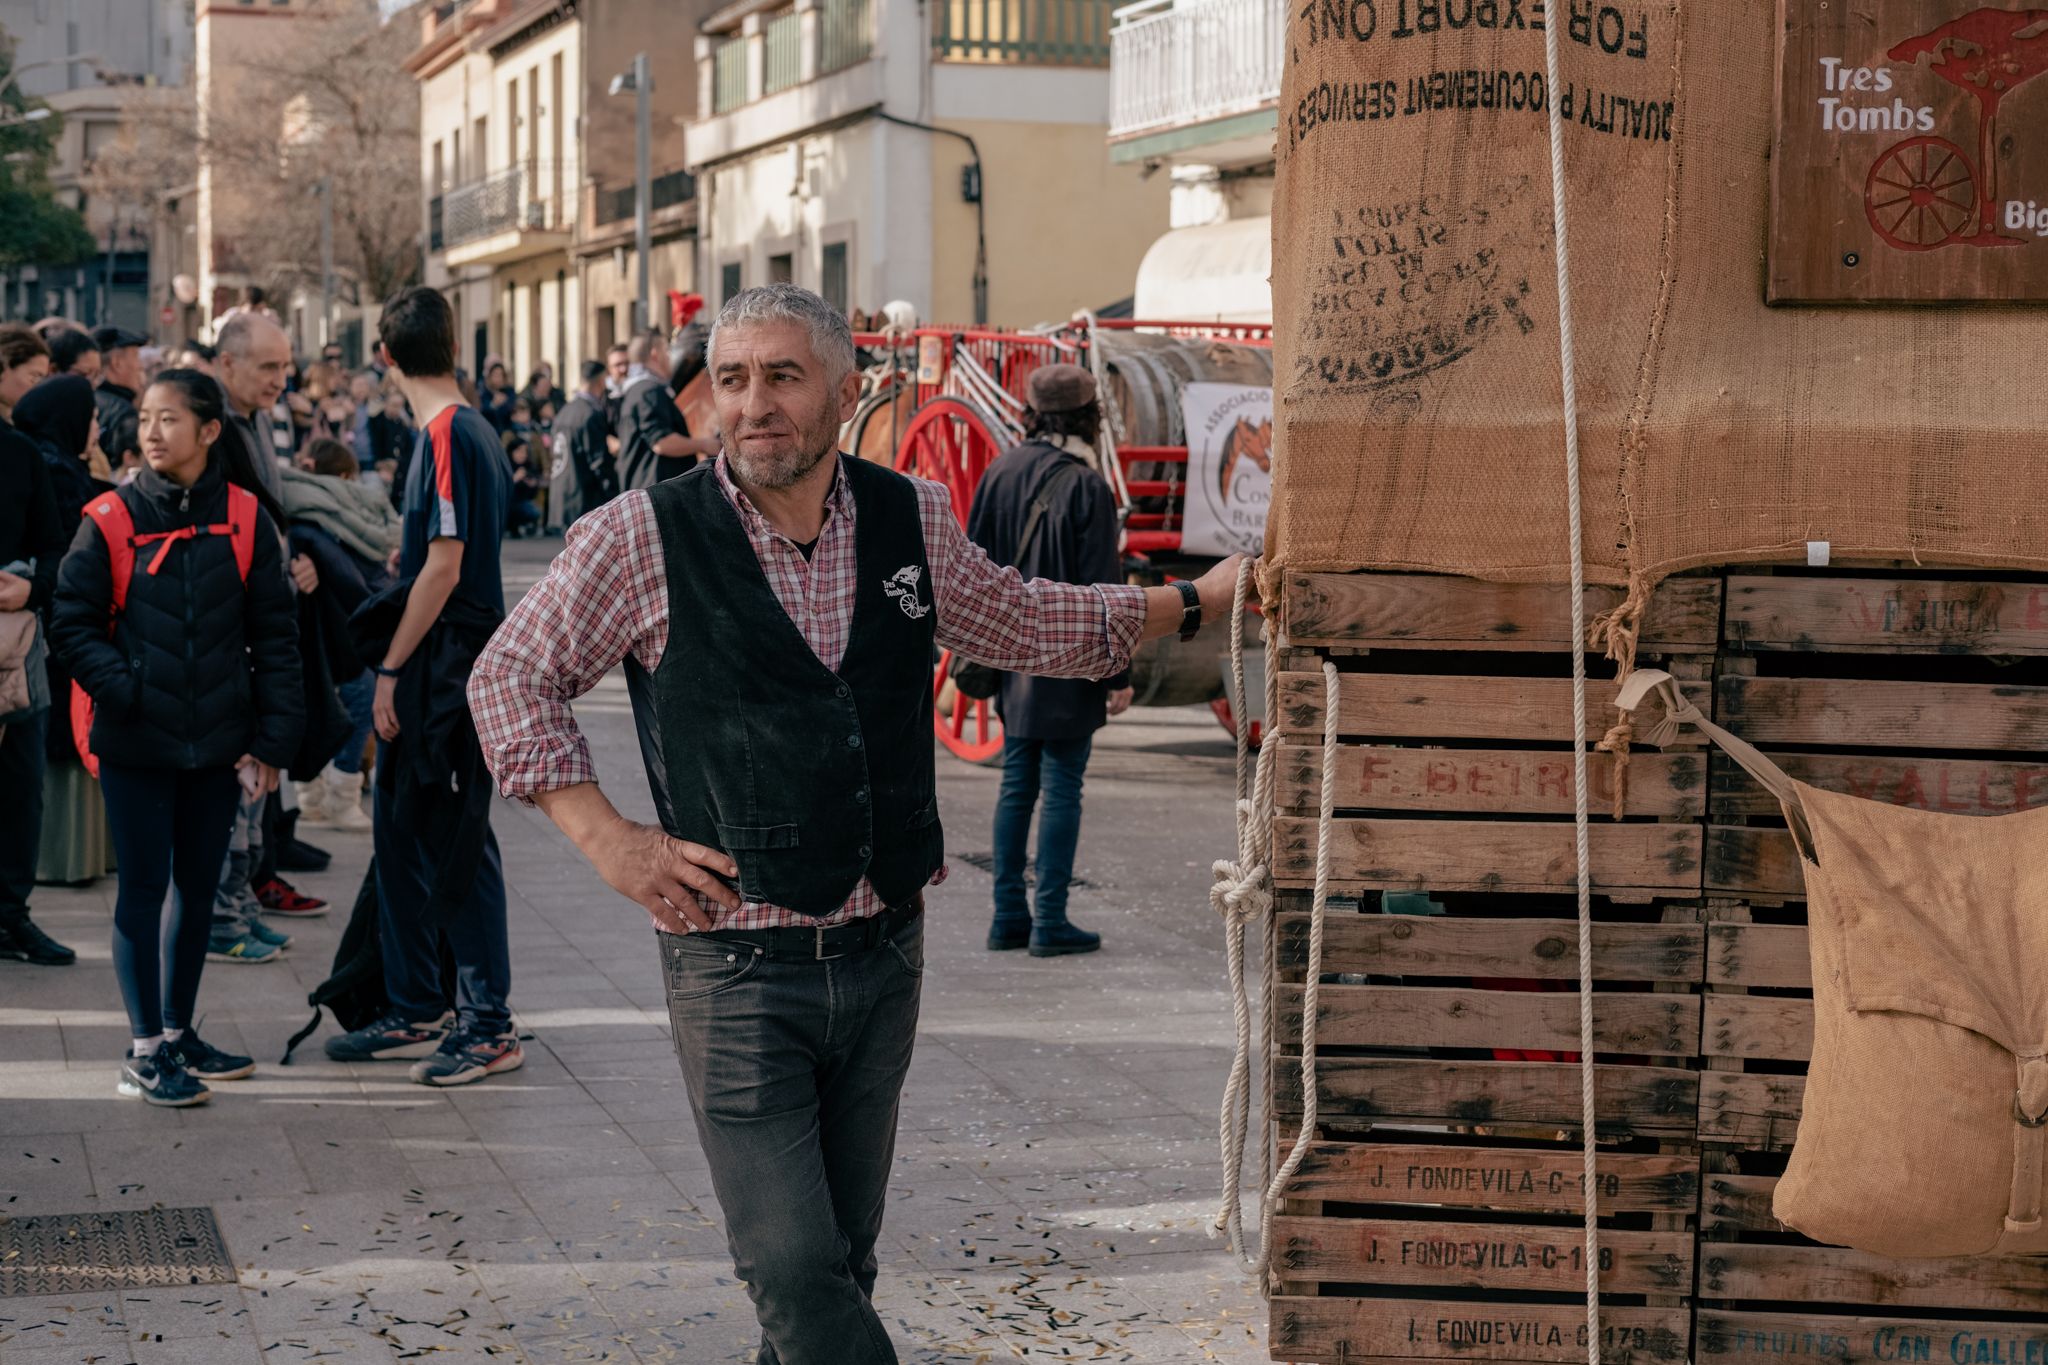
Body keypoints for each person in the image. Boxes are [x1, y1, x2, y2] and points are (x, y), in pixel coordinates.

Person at [466, 284, 1246, 1365]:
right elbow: (509, 677)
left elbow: (1020, 616)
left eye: (783, 377)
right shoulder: (641, 536)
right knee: (791, 1267)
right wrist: (609, 839)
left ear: (845, 390)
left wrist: (1194, 602)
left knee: (838, 1264)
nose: (754, 406)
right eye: (732, 380)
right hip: (734, 968)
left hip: (881, 953)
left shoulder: (908, 514)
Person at [50, 368, 304, 1106]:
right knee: (143, 889)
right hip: (135, 743)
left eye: (168, 418)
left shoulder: (248, 518)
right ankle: (144, 1049)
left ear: (209, 430)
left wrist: (271, 741)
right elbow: (70, 623)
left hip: (217, 745)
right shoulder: (109, 517)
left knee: (198, 891)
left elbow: (276, 635)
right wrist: (126, 688)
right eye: (145, 418)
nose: (151, 431)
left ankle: (176, 1031)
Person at [324, 284, 515, 1087]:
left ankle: (486, 1021)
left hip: (444, 666)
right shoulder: (471, 428)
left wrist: (392, 669)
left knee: (452, 837)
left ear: (385, 356)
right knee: (404, 825)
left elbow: (445, 563)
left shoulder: (446, 434)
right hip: (448, 657)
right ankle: (415, 1000)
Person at [966, 365, 1133, 957]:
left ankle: (1008, 915)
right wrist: (1119, 673)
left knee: (1017, 785)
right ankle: (1051, 921)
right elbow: (1106, 592)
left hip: (1012, 660)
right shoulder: (1088, 485)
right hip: (1072, 660)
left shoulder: (1000, 472)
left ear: (1032, 411)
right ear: (1088, 415)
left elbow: (973, 569)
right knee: (1063, 787)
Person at [14, 374, 116, 892]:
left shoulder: (56, 464)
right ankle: (55, 864)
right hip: (48, 640)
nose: (97, 427)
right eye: (91, 416)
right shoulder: (54, 471)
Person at [0, 326, 76, 966]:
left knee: (22, 786)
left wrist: (31, 590)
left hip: (16, 650)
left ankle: (10, 916)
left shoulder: (20, 455)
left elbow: (56, 548)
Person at [281, 437, 397, 832]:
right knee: (362, 698)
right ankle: (340, 794)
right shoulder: (333, 521)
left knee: (312, 706)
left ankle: (312, 796)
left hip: (310, 628)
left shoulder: (297, 513)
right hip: (339, 628)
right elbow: (359, 582)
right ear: (346, 477)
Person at [616, 331, 718, 490]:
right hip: (655, 492)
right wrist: (704, 444)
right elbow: (661, 442)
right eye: (667, 350)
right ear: (655, 354)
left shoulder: (636, 390)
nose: (670, 356)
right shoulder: (648, 391)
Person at [553, 359, 614, 525]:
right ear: (601, 381)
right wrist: (613, 493)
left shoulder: (565, 411)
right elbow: (598, 460)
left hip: (563, 493)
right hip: (583, 497)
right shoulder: (589, 414)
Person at [91, 326, 146, 472]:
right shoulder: (122, 413)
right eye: (136, 356)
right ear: (117, 363)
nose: (140, 366)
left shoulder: (89, 398)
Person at [502, 430, 543, 536]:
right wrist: (514, 479)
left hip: (521, 503)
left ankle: (523, 526)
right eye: (519, 451)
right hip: (506, 505)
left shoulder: (529, 467)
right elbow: (500, 488)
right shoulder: (505, 466)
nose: (522, 455)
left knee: (532, 510)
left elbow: (531, 494)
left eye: (524, 451)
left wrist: (532, 484)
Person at [479, 360, 517, 434]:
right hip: (490, 431)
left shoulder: (509, 392)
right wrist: (493, 404)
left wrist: (504, 403)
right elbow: (483, 412)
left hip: (508, 431)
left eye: (501, 375)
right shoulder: (485, 394)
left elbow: (512, 409)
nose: (498, 378)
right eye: (495, 375)